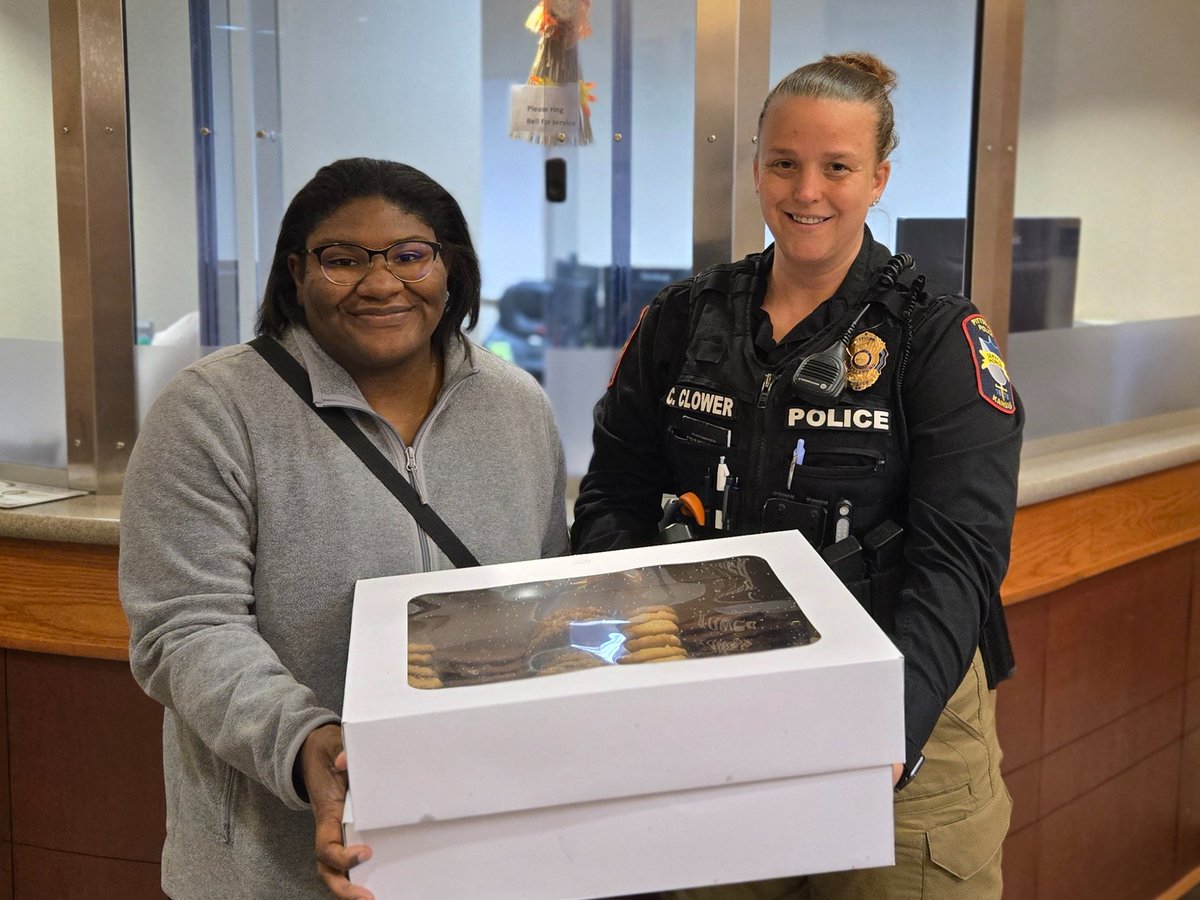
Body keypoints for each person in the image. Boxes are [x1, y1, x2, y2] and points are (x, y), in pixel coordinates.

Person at [572, 53, 1021, 898]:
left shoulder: (937, 338)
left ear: (879, 177)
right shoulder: (683, 318)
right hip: (711, 695)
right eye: (784, 162)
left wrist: (892, 730)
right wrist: (640, 651)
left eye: (837, 166)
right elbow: (611, 498)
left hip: (899, 695)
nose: (806, 190)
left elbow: (959, 557)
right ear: (756, 167)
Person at [119, 157, 569, 900]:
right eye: (342, 259)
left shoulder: (518, 406)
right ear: (296, 273)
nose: (381, 282)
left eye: (409, 255)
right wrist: (307, 744)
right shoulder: (211, 411)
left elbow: (542, 600)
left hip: (480, 844)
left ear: (449, 267)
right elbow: (186, 629)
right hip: (270, 863)